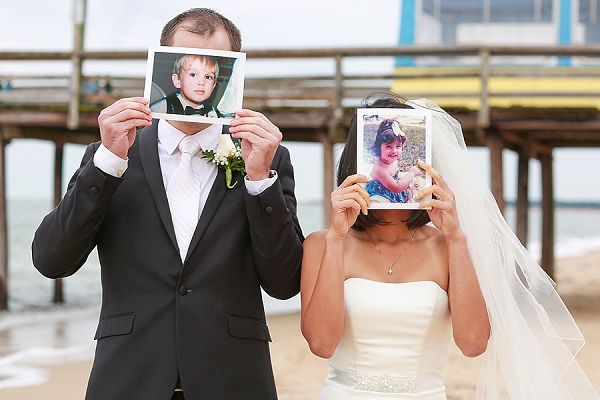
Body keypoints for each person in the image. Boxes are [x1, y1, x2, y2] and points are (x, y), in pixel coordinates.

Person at [31, 8, 303, 400]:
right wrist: (107, 162)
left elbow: (284, 284)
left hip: (233, 380)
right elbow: (50, 260)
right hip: (128, 378)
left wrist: (259, 179)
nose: (200, 79)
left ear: (226, 78)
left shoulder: (267, 159)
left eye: (212, 69)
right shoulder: (110, 155)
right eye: (188, 66)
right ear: (168, 72)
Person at [301, 93, 600, 399]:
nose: (394, 152)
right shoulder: (322, 244)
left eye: (402, 147)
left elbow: (473, 344)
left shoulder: (447, 247)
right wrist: (337, 237)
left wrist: (457, 238)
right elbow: (321, 345)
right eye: (384, 145)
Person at [365, 118, 423, 203]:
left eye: (398, 146)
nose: (394, 151)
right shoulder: (380, 169)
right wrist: (412, 173)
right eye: (388, 146)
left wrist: (405, 182)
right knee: (378, 202)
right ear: (379, 147)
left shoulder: (393, 161)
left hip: (392, 188)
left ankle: (407, 201)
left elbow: (395, 177)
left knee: (409, 188)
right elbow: (396, 188)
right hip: (381, 193)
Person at [151, 54, 223, 117]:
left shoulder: (213, 113)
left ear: (213, 85)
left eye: (208, 77)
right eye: (193, 74)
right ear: (177, 81)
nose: (201, 82)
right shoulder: (162, 108)